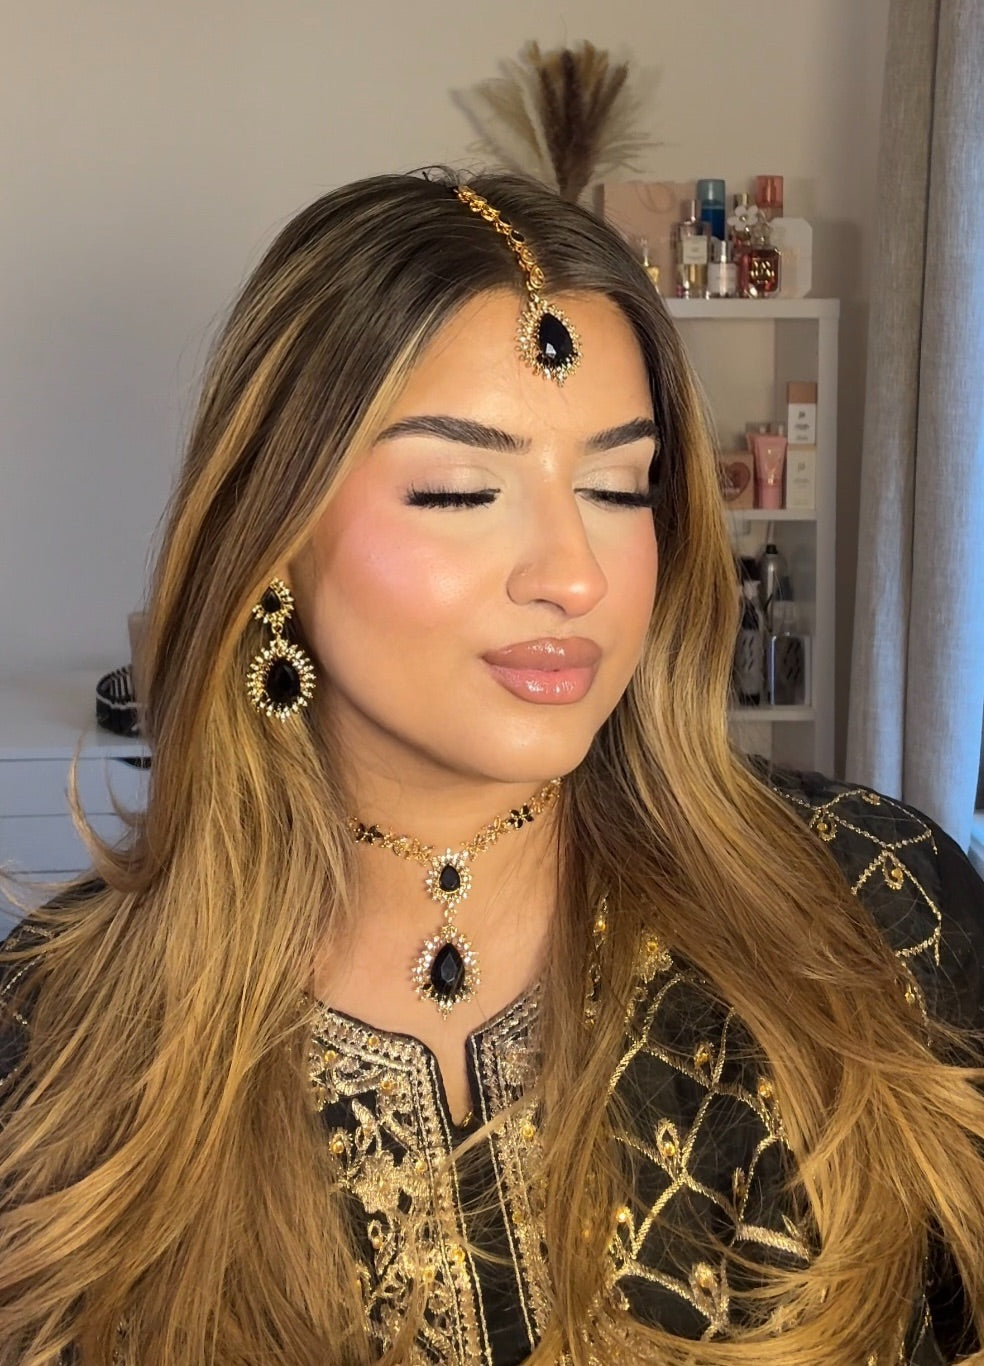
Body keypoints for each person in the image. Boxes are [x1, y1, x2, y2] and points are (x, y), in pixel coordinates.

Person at [1, 170, 983, 1366]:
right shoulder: (52, 1042)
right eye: (461, 489)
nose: (574, 574)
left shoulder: (881, 910)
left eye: (619, 487)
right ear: (272, 535)